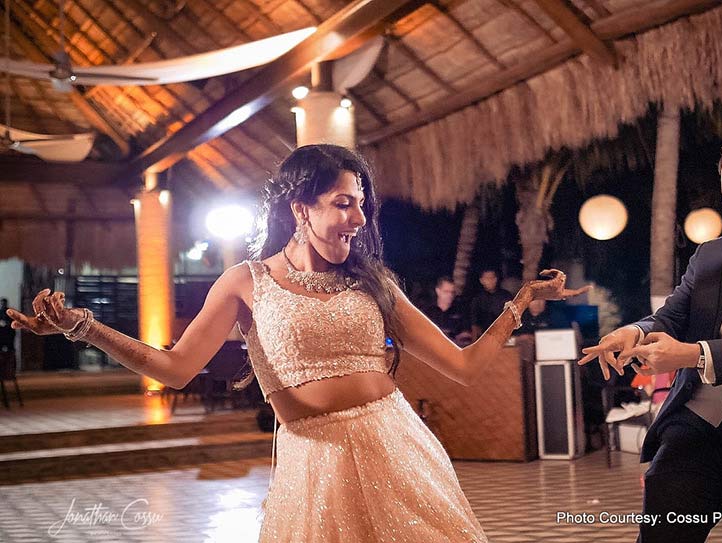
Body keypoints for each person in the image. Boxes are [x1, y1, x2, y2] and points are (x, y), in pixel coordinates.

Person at [6, 144, 589, 543]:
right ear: (299, 207)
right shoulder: (245, 283)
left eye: (362, 203)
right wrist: (85, 328)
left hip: (399, 449)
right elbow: (176, 367)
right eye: (343, 202)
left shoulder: (375, 282)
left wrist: (519, 305)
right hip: (314, 466)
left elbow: (464, 366)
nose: (359, 217)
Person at [579, 131, 722, 543]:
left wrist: (691, 355)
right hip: (697, 428)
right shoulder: (712, 254)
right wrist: (634, 332)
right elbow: (670, 316)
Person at [422, 276, 471, 345]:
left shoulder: (461, 311)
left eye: (452, 292)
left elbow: (467, 335)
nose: (450, 295)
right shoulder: (427, 311)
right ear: (438, 291)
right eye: (446, 291)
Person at [470, 269, 513, 339]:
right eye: (487, 278)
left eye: (492, 278)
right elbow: (474, 322)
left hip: (504, 334)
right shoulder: (477, 298)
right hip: (484, 336)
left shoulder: (506, 296)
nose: (490, 280)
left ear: (496, 279)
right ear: (481, 281)